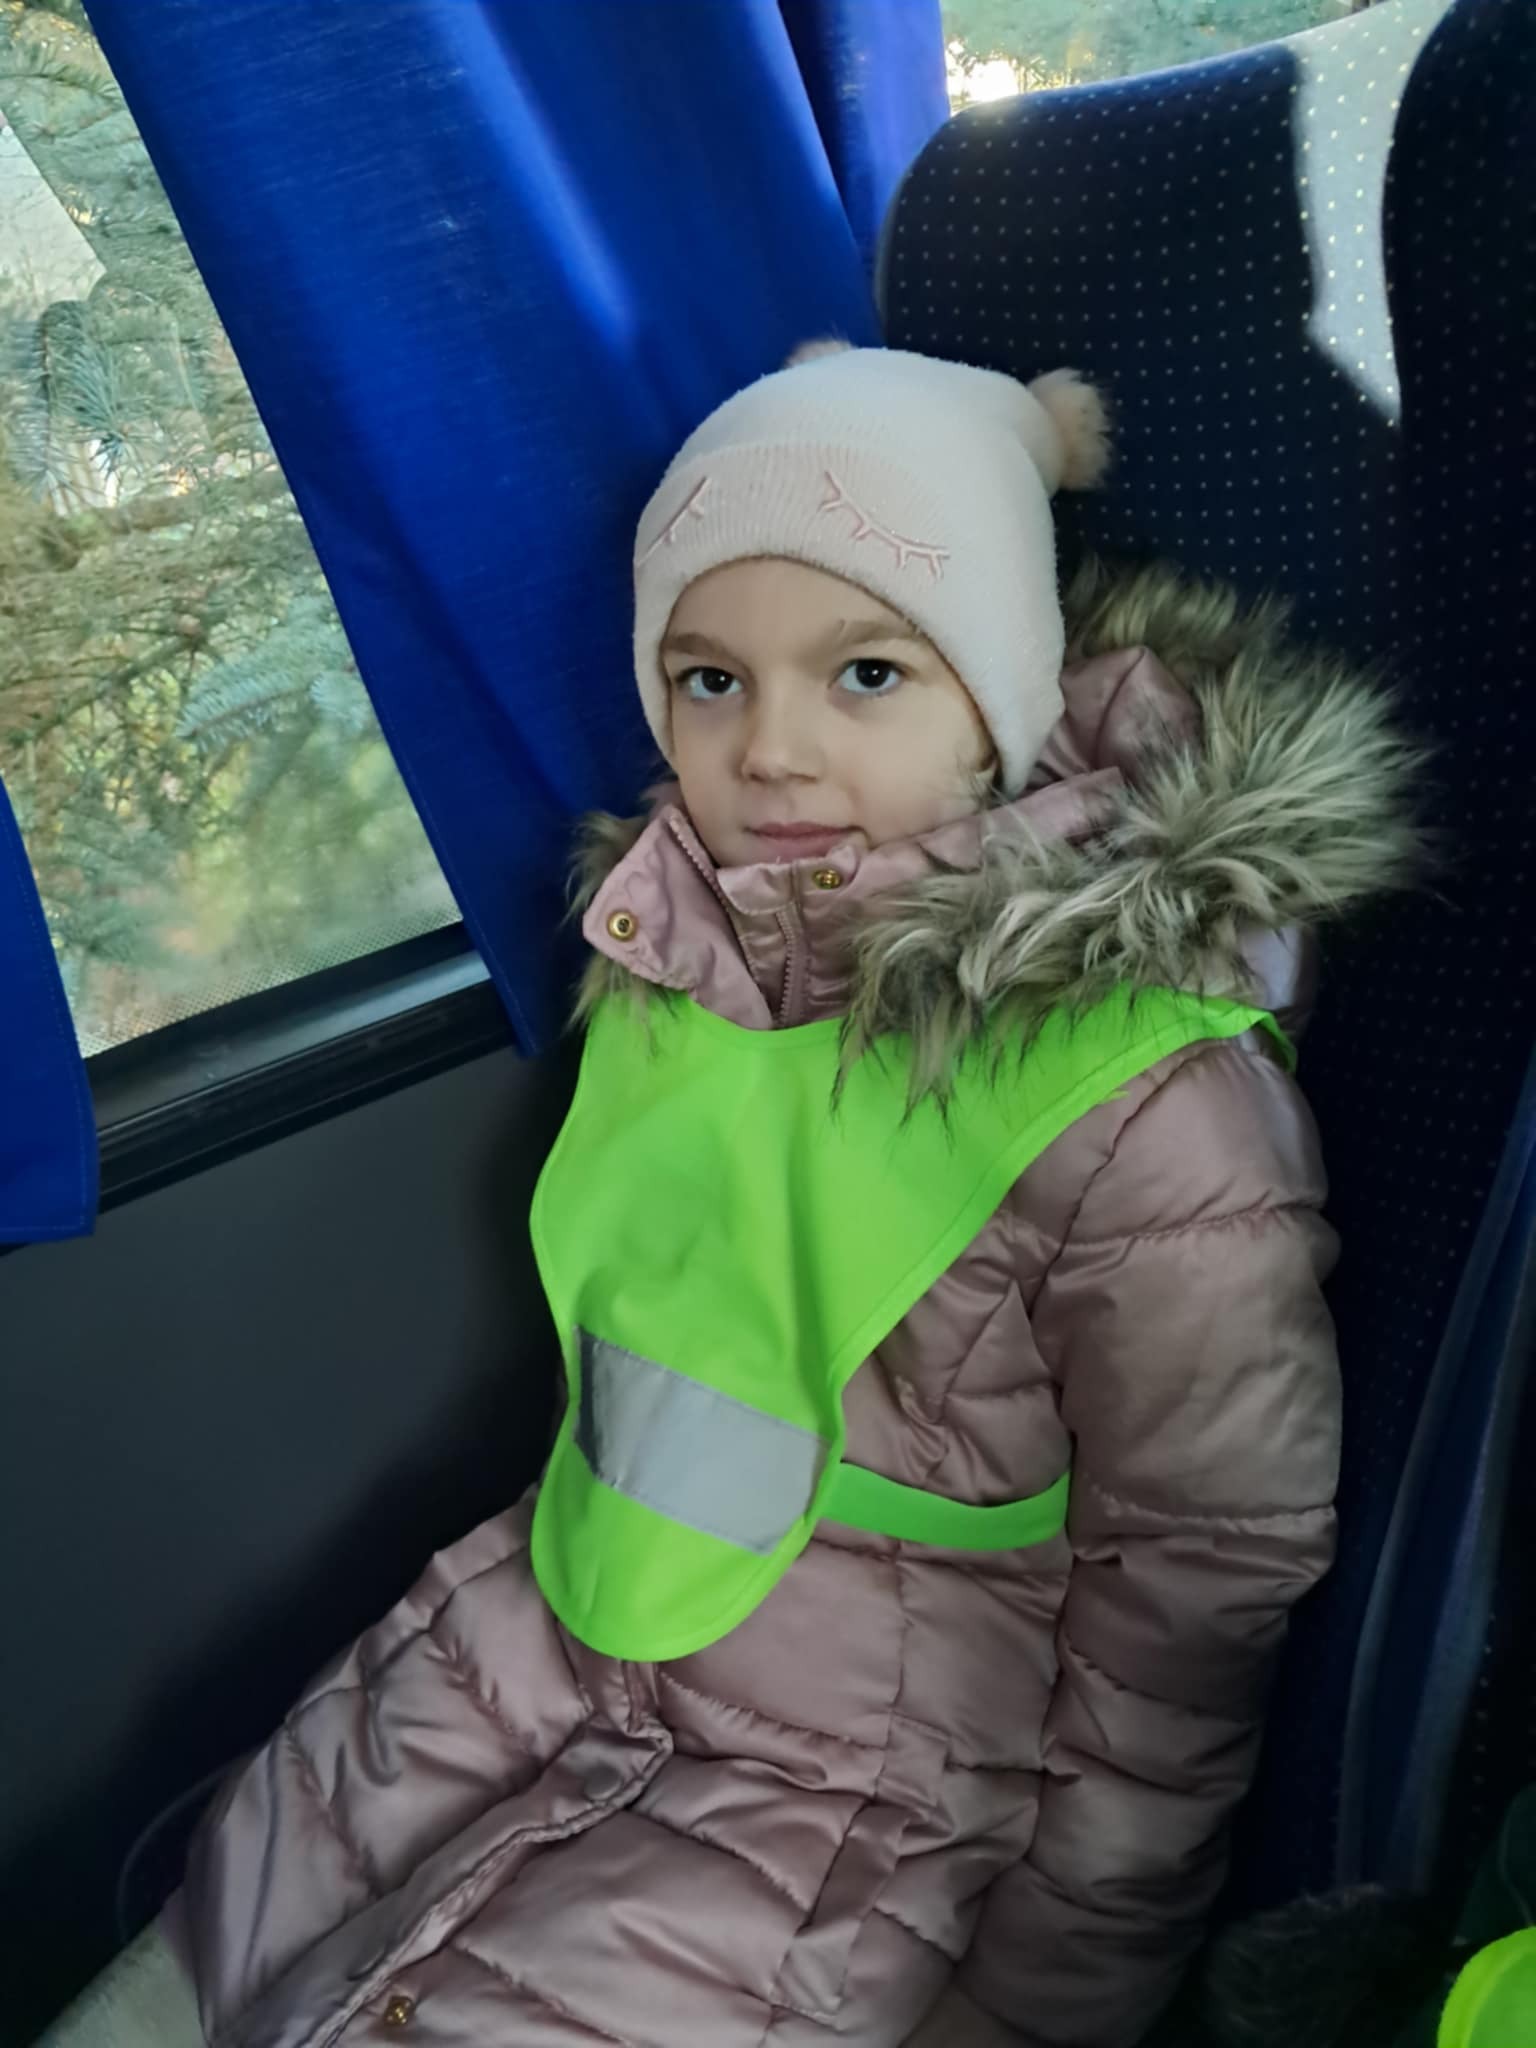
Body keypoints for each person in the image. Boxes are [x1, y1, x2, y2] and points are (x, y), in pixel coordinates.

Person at [168, 342, 1418, 2048]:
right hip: (557, 1608)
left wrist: (1049, 1999)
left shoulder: (1146, 1104)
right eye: (708, 679)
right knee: (229, 1924)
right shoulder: (677, 954)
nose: (768, 751)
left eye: (868, 674)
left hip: (864, 1779)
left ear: (1001, 701)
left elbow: (1191, 1599)